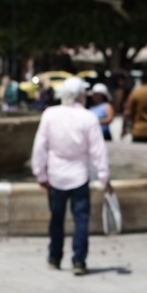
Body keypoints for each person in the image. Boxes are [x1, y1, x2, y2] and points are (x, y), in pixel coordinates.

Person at [31, 78, 111, 276]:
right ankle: (79, 260)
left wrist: (40, 173)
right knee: (81, 219)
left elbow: (40, 146)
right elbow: (98, 150)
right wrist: (104, 176)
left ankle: (54, 257)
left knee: (56, 219)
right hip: (79, 176)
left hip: (56, 175)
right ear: (80, 95)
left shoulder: (50, 115)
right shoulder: (88, 117)